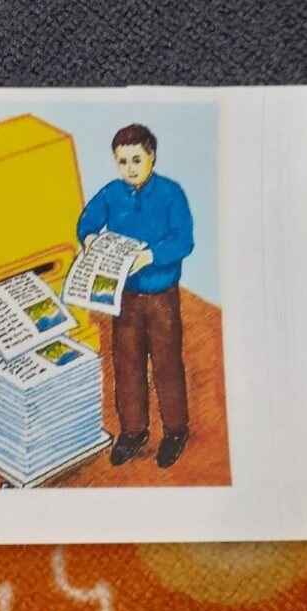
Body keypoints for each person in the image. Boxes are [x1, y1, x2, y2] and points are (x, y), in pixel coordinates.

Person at [77, 124, 194, 469]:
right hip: (124, 296)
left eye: (136, 160)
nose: (129, 169)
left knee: (166, 363)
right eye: (122, 162)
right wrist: (88, 238)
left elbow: (184, 240)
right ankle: (133, 431)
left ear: (151, 156)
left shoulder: (171, 193)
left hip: (162, 296)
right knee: (127, 363)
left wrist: (151, 256)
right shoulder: (112, 193)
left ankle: (175, 431)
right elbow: (87, 220)